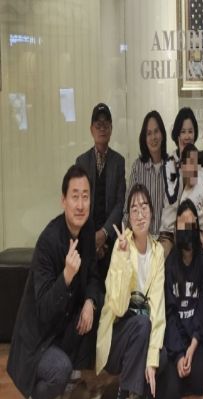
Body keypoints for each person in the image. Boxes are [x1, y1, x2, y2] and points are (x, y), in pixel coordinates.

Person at [8, 165, 103, 399]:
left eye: (85, 196)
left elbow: (93, 275)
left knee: (96, 311)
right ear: (63, 200)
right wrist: (66, 276)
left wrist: (90, 302)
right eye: (75, 196)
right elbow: (44, 310)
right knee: (59, 370)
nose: (80, 204)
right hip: (37, 338)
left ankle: (69, 393)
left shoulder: (87, 230)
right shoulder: (48, 243)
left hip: (62, 323)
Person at [95, 183, 165, 399]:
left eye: (144, 207)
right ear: (128, 217)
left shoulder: (157, 252)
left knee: (162, 355)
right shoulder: (121, 245)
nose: (140, 214)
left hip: (141, 332)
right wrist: (123, 259)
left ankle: (137, 391)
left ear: (152, 213)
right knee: (141, 323)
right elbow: (117, 305)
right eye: (134, 209)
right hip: (118, 336)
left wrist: (152, 361)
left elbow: (158, 308)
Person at [156, 199, 203, 399]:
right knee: (169, 394)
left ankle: (188, 372)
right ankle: (180, 371)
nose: (187, 228)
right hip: (176, 340)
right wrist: (180, 354)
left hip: (197, 338)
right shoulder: (170, 264)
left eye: (191, 223)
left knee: (200, 383)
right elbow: (169, 313)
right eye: (182, 223)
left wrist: (193, 345)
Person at [76, 102, 126, 279]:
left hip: (111, 239)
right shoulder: (82, 162)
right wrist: (93, 239)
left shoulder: (118, 162)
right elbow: (79, 203)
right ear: (91, 130)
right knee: (87, 284)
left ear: (111, 129)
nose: (102, 129)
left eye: (106, 125)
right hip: (87, 238)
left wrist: (104, 234)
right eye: (98, 125)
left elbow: (120, 203)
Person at [159, 107, 199, 256]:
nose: (187, 136)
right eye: (183, 132)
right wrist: (183, 162)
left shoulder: (199, 161)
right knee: (162, 257)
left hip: (193, 230)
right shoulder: (170, 163)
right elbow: (173, 198)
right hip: (170, 231)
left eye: (190, 131)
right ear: (177, 135)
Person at [123, 110, 168, 236]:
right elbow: (128, 209)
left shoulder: (171, 166)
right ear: (144, 138)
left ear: (162, 134)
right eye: (149, 133)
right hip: (142, 239)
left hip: (167, 239)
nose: (153, 137)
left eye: (156, 131)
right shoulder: (138, 167)